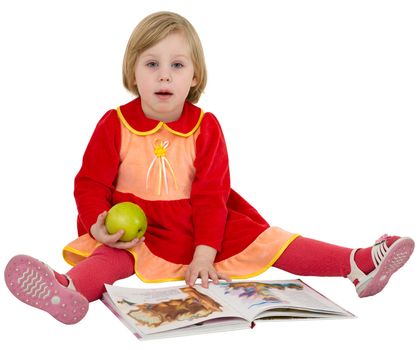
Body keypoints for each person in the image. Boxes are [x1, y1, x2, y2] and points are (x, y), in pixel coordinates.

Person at [4, 11, 415, 325]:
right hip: (139, 228)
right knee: (111, 257)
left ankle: (357, 263)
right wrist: (96, 224)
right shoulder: (115, 123)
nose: (164, 74)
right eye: (151, 64)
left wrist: (205, 251)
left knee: (270, 240)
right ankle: (68, 289)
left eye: (177, 65)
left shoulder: (206, 126)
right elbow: (91, 181)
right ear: (133, 71)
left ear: (194, 75)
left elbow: (211, 194)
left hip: (203, 221)